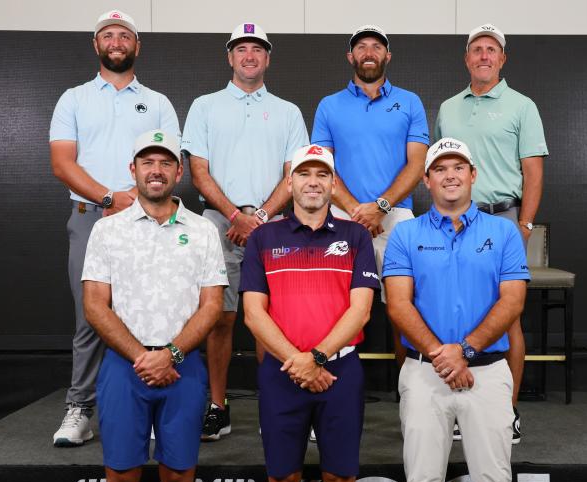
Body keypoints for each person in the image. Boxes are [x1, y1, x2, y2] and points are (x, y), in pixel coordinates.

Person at [380, 138, 548, 482]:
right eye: (440, 169)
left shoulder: (503, 232)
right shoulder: (407, 235)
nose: (449, 175)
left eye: (458, 167)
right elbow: (398, 305)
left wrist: (466, 349)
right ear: (427, 180)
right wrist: (441, 354)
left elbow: (512, 301)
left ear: (473, 176)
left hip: (487, 372)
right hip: (424, 372)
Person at [73, 130, 227, 482]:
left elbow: (212, 305)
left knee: (179, 481)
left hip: (183, 369)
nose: (156, 170)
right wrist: (144, 356)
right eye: (147, 162)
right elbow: (95, 304)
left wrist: (172, 353)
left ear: (178, 173)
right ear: (133, 171)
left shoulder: (203, 230)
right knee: (120, 481)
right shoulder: (108, 229)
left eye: (165, 162)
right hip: (126, 367)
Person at [236, 145, 380, 482]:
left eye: (323, 174)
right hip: (283, 376)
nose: (313, 182)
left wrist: (315, 358)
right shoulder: (263, 239)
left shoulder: (357, 236)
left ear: (332, 183)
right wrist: (298, 362)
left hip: (338, 373)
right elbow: (254, 313)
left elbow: (361, 310)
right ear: (290, 183)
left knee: (342, 481)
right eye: (304, 174)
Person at [50, 9, 180, 447]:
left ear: (136, 46)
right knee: (92, 315)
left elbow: (168, 163)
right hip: (92, 219)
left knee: (153, 311)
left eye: (125, 35)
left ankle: (145, 411)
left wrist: (135, 202)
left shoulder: (158, 102)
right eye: (108, 35)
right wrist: (111, 198)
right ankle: (80, 409)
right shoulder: (74, 98)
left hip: (153, 219)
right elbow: (62, 162)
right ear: (97, 45)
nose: (117, 41)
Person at [182, 22, 309, 441]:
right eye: (241, 49)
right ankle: (219, 406)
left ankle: (276, 405)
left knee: (272, 320)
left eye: (257, 49)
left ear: (267, 58)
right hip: (219, 225)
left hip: (275, 226)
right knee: (221, 318)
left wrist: (259, 217)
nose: (249, 55)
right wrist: (236, 215)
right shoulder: (204, 106)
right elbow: (198, 173)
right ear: (230, 57)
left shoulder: (288, 111)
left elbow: (295, 175)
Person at [434, 23, 548, 443]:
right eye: (476, 49)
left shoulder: (522, 106)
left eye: (491, 49)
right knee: (458, 310)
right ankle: (461, 408)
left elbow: (533, 172)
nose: (484, 55)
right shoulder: (449, 108)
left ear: (502, 59)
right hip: (454, 221)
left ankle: (507, 410)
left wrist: (524, 226)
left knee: (508, 316)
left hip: (503, 220)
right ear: (467, 58)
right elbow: (440, 171)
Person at [310, 24, 429, 369]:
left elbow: (417, 162)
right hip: (343, 219)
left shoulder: (409, 102)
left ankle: (412, 390)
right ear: (351, 56)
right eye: (361, 46)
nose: (369, 52)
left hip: (396, 220)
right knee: (334, 307)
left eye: (376, 46)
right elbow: (323, 165)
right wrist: (357, 212)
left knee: (403, 307)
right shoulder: (329, 106)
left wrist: (380, 207)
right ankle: (330, 385)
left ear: (387, 55)